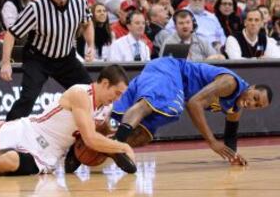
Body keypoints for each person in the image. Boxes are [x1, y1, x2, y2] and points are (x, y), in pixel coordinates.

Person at [0, 65, 136, 176]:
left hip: (48, 153)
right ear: (105, 83)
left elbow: (97, 135)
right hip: (29, 129)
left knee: (8, 161)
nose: (117, 99)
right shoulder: (81, 93)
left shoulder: (106, 108)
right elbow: (90, 139)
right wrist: (121, 146)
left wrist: (110, 149)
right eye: (117, 93)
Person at [110, 57, 272, 165]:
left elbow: (231, 135)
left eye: (257, 106)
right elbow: (194, 103)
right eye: (255, 98)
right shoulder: (230, 83)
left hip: (173, 81)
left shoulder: (236, 108)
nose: (252, 103)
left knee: (142, 136)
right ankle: (118, 144)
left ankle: (102, 145)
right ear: (251, 88)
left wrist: (233, 157)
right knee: (159, 106)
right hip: (170, 70)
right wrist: (212, 142)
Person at [0, 0, 95, 121]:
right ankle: (6, 133)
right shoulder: (36, 7)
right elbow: (11, 34)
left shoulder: (79, 2)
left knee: (89, 94)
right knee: (28, 98)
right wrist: (5, 63)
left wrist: (90, 45)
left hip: (66, 58)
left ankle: (81, 135)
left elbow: (87, 23)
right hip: (38, 58)